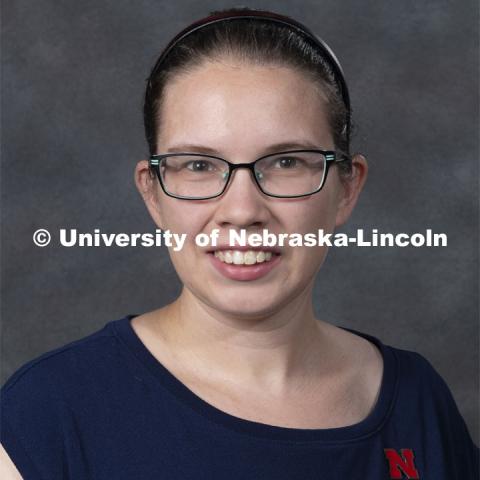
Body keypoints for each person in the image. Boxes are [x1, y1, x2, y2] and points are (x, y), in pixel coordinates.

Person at [1, 6, 478, 479]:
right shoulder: (46, 415)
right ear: (152, 192)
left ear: (347, 189)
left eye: (287, 162)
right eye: (199, 165)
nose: (243, 211)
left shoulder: (419, 402)